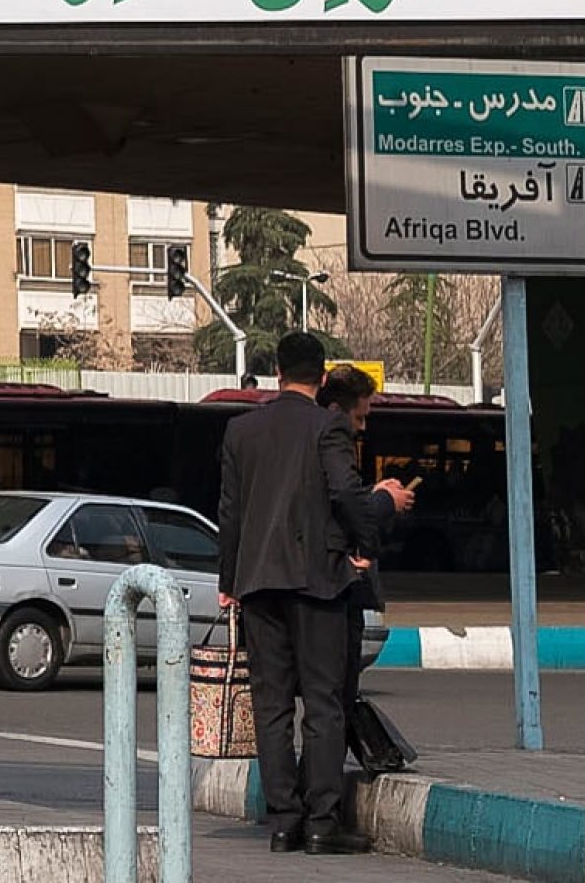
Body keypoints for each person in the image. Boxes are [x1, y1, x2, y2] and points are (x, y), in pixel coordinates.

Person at [216, 334, 412, 855]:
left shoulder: (241, 430)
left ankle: (284, 822)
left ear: (277, 372)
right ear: (322, 378)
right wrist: (365, 547)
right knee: (323, 704)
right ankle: (323, 823)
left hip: (258, 585)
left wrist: (228, 582)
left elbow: (230, 513)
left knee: (271, 706)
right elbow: (345, 492)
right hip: (318, 582)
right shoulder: (328, 426)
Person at [317, 364, 415, 774]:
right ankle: (321, 792)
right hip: (333, 587)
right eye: (359, 417)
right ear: (339, 410)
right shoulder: (331, 437)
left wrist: (372, 495)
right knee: (333, 699)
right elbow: (341, 502)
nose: (362, 428)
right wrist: (385, 502)